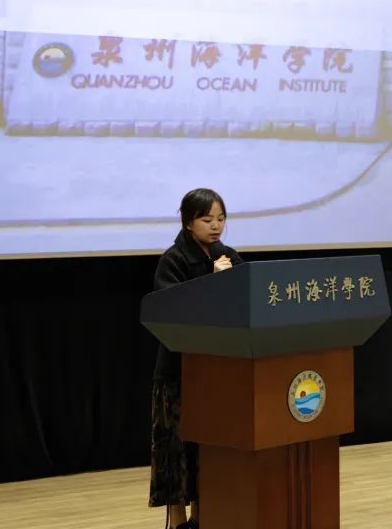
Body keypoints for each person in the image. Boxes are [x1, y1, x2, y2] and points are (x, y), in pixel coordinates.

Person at [148, 188, 243, 529]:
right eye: (207, 220)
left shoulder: (229, 257)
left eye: (221, 219)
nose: (216, 226)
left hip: (216, 369)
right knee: (175, 449)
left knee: (208, 448)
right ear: (189, 223)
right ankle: (177, 521)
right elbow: (171, 309)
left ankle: (204, 516)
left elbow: (247, 301)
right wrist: (212, 282)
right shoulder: (173, 259)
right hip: (178, 370)